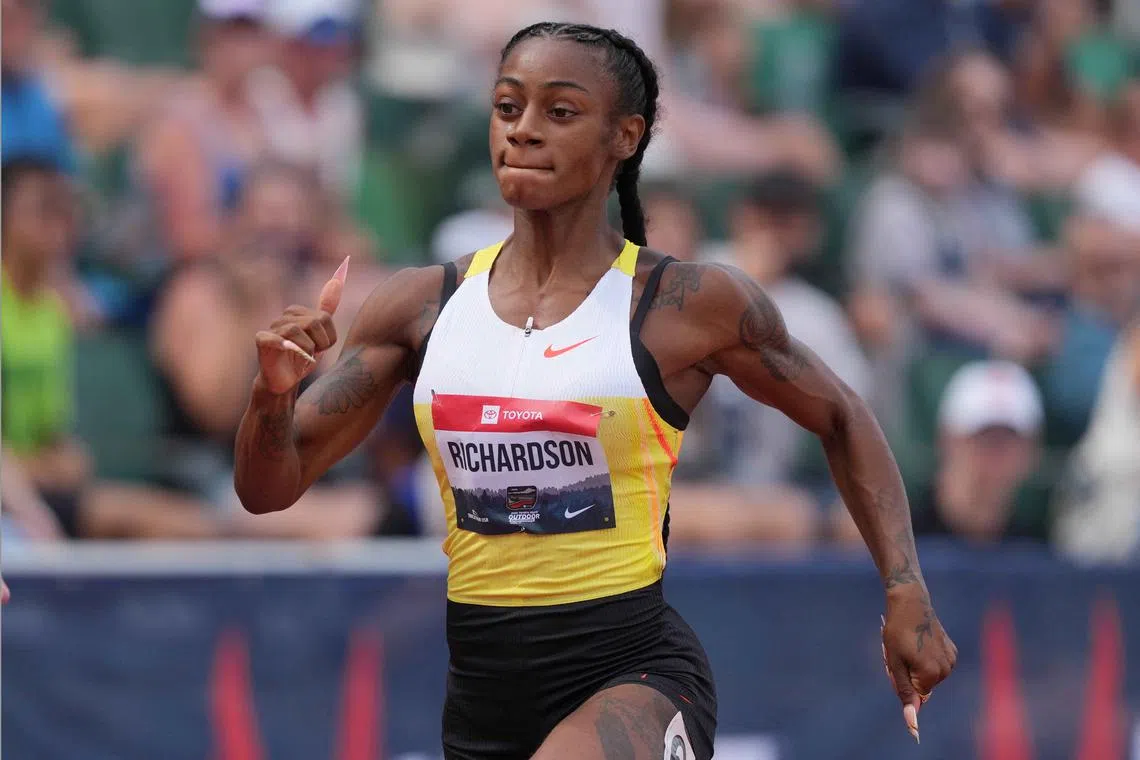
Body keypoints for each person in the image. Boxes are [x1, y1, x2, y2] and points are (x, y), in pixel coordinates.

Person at [234, 22, 956, 758]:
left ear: (625, 137)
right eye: (508, 107)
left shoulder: (683, 305)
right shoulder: (422, 308)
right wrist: (272, 395)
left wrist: (904, 588)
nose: (524, 132)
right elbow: (268, 488)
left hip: (630, 674)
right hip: (483, 696)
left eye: (561, 112)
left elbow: (842, 415)